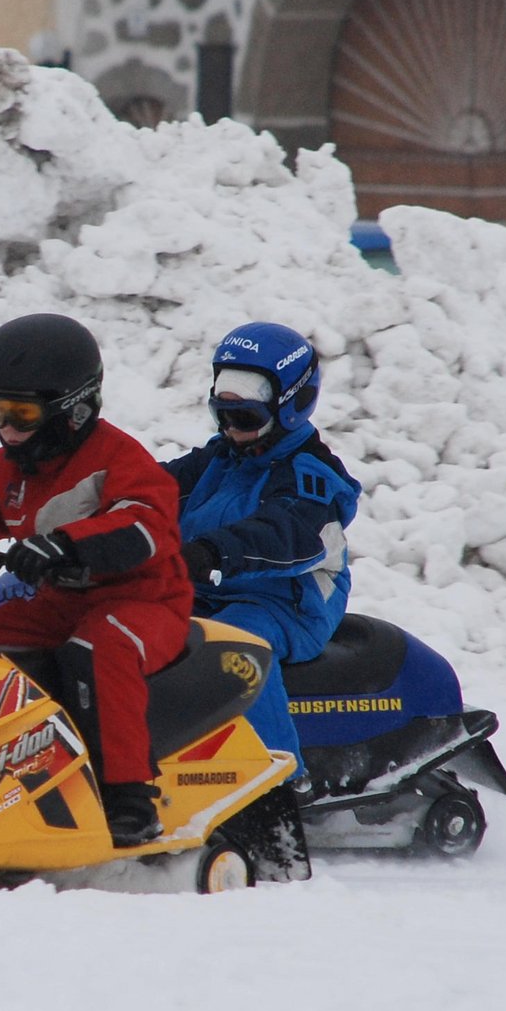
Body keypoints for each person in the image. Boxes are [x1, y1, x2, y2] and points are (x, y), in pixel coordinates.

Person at [0, 313, 194, 847]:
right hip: (58, 599)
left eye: (23, 413)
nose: (8, 428)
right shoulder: (12, 465)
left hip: (144, 600)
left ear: (74, 409)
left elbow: (144, 525)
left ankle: (128, 796)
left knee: (100, 645)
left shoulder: (119, 459)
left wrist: (68, 543)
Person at [162, 322, 361, 779]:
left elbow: (284, 534)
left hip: (289, 603)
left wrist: (210, 552)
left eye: (246, 419)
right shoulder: (222, 458)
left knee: (233, 647)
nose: (231, 430)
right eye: (223, 416)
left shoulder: (312, 478)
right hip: (211, 589)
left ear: (292, 407)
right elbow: (152, 488)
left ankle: (279, 782)